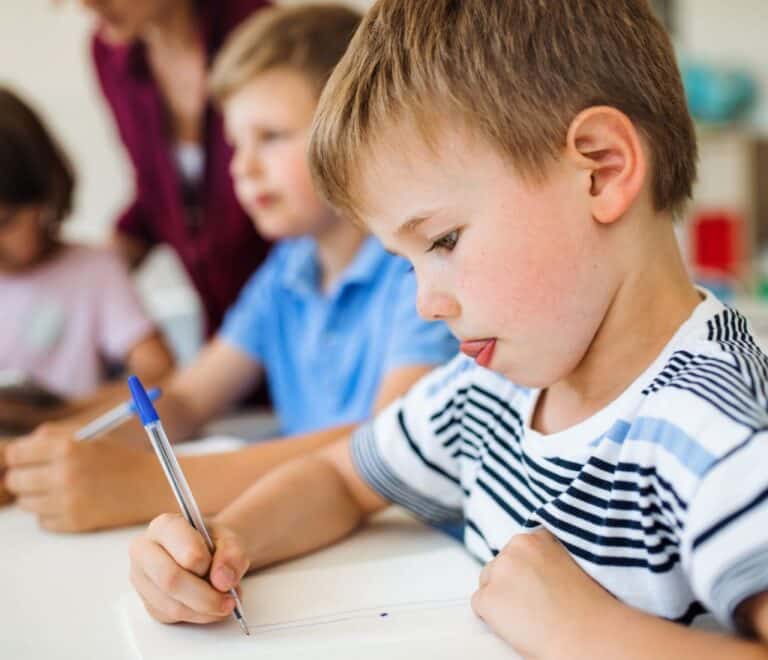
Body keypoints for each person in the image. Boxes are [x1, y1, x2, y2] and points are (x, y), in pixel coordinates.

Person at [127, 1, 768, 657]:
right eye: (407, 265)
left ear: (599, 170)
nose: (425, 305)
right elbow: (340, 479)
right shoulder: (485, 391)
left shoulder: (719, 428)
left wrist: (582, 633)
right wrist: (225, 542)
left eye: (443, 240)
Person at [3, 4, 458, 534]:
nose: (242, 166)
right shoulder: (284, 273)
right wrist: (44, 457)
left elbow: (383, 445)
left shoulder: (413, 271)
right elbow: (187, 398)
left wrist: (143, 484)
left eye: (271, 136)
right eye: (235, 143)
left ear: (354, 133)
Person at [0, 87, 173, 492]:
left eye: (3, 222)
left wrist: (60, 411)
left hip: (67, 461)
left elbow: (158, 371)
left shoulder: (93, 271)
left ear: (45, 195)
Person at [82, 0, 272, 337]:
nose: (87, 4)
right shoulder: (110, 55)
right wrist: (82, 274)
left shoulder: (260, 34)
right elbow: (156, 192)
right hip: (221, 325)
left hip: (290, 308)